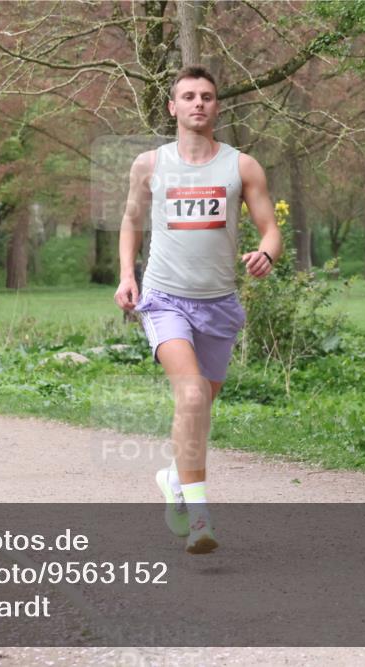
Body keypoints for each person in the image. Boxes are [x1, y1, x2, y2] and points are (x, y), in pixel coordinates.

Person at [113, 65, 281, 554]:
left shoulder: (241, 167)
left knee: (199, 408)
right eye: (188, 96)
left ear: (217, 106)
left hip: (220, 305)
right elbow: (131, 222)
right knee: (190, 398)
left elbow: (271, 229)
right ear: (173, 107)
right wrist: (128, 275)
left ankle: (173, 477)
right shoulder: (149, 164)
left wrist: (266, 252)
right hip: (164, 299)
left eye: (207, 96)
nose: (198, 103)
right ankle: (200, 517)